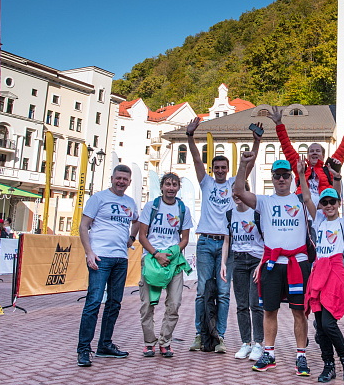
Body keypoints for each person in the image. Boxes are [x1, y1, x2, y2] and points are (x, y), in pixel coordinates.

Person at [186, 116, 262, 353]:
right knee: (201, 291)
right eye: (216, 168)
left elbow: (249, 164)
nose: (219, 171)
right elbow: (197, 158)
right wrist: (190, 136)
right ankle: (200, 335)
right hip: (206, 242)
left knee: (223, 292)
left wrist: (256, 142)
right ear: (212, 170)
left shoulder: (234, 184)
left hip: (227, 244)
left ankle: (218, 336)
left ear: (227, 170)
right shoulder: (206, 182)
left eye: (223, 168)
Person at [233, 150, 312, 376]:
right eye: (277, 175)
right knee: (269, 310)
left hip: (298, 262)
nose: (281, 179)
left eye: (285, 175)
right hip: (272, 263)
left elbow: (321, 201)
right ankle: (269, 353)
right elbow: (238, 191)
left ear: (291, 177)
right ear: (272, 177)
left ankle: (301, 356)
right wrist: (242, 165)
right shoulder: (265, 201)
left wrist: (302, 175)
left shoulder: (301, 199)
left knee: (299, 312)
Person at [76, 164, 139, 367]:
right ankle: (84, 349)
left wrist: (131, 237)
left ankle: (105, 345)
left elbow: (137, 221)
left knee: (114, 304)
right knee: (93, 303)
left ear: (129, 182)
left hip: (121, 258)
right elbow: (83, 226)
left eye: (125, 179)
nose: (121, 182)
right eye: (118, 178)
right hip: (100, 257)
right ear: (112, 178)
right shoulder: (98, 198)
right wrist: (89, 253)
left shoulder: (130, 202)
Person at [302, 164, 344, 383]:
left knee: (327, 323)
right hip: (318, 272)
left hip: (334, 272)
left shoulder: (343, 222)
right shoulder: (319, 221)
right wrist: (300, 173)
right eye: (324, 202)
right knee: (319, 321)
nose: (328, 205)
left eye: (332, 201)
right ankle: (328, 365)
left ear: (337, 203)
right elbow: (306, 198)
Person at [137, 172, 193, 358]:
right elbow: (142, 236)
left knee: (174, 303)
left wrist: (172, 252)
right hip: (152, 260)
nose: (171, 188)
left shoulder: (182, 209)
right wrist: (156, 254)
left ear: (178, 188)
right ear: (161, 186)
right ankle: (149, 342)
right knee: (147, 304)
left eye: (174, 184)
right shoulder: (151, 206)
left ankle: (165, 342)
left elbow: (184, 238)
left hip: (173, 262)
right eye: (167, 184)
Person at [271, 106, 344, 204]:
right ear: (307, 156)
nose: (314, 153)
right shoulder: (301, 168)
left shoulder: (330, 169)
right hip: (303, 212)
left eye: (317, 151)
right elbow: (287, 147)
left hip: (324, 212)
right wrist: (279, 124)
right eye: (311, 151)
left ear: (323, 156)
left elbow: (343, 147)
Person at [220, 186, 265, 361]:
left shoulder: (256, 214)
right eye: (234, 191)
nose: (236, 195)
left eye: (240, 191)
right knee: (241, 305)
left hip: (256, 260)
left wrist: (261, 263)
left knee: (255, 304)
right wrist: (223, 263)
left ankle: (258, 344)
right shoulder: (229, 214)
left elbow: (267, 239)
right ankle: (245, 343)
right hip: (238, 261)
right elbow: (226, 240)